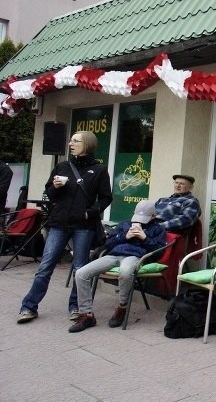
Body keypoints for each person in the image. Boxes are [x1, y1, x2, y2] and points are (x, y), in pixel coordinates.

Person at [17, 131, 112, 324]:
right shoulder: (62, 166)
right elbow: (49, 194)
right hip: (59, 223)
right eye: (71, 140)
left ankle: (76, 307)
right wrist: (55, 187)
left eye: (75, 141)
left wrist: (90, 213)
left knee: (79, 268)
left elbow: (106, 197)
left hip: (83, 225)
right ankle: (28, 307)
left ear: (87, 144)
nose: (70, 143)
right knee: (45, 266)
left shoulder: (99, 169)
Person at [69, 200, 166, 332]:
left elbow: (159, 251)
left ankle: (122, 307)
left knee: (125, 271)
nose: (140, 222)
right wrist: (124, 236)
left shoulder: (158, 229)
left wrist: (145, 238)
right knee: (81, 273)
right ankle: (87, 315)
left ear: (154, 216)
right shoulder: (125, 224)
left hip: (134, 256)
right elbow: (108, 243)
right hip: (113, 255)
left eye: (145, 219)